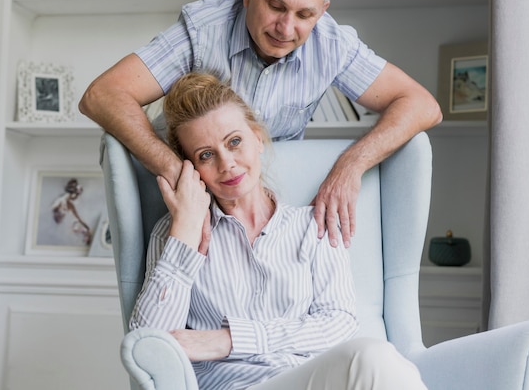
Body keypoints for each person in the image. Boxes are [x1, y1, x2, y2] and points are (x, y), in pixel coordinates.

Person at [79, 0, 442, 248]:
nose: (286, 29)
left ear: (323, 10)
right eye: (276, 6)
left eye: (305, 15)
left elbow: (422, 104)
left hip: (261, 208)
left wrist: (352, 164)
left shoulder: (332, 44)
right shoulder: (204, 29)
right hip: (177, 200)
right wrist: (180, 176)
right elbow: (103, 94)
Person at [129, 72, 427, 390]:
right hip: (233, 385)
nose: (227, 163)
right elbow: (149, 346)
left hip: (310, 380)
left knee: (374, 359)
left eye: (234, 142)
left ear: (257, 138)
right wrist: (186, 230)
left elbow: (339, 324)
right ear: (189, 168)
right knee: (371, 358)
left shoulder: (314, 224)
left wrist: (229, 340)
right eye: (205, 155)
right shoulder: (175, 234)